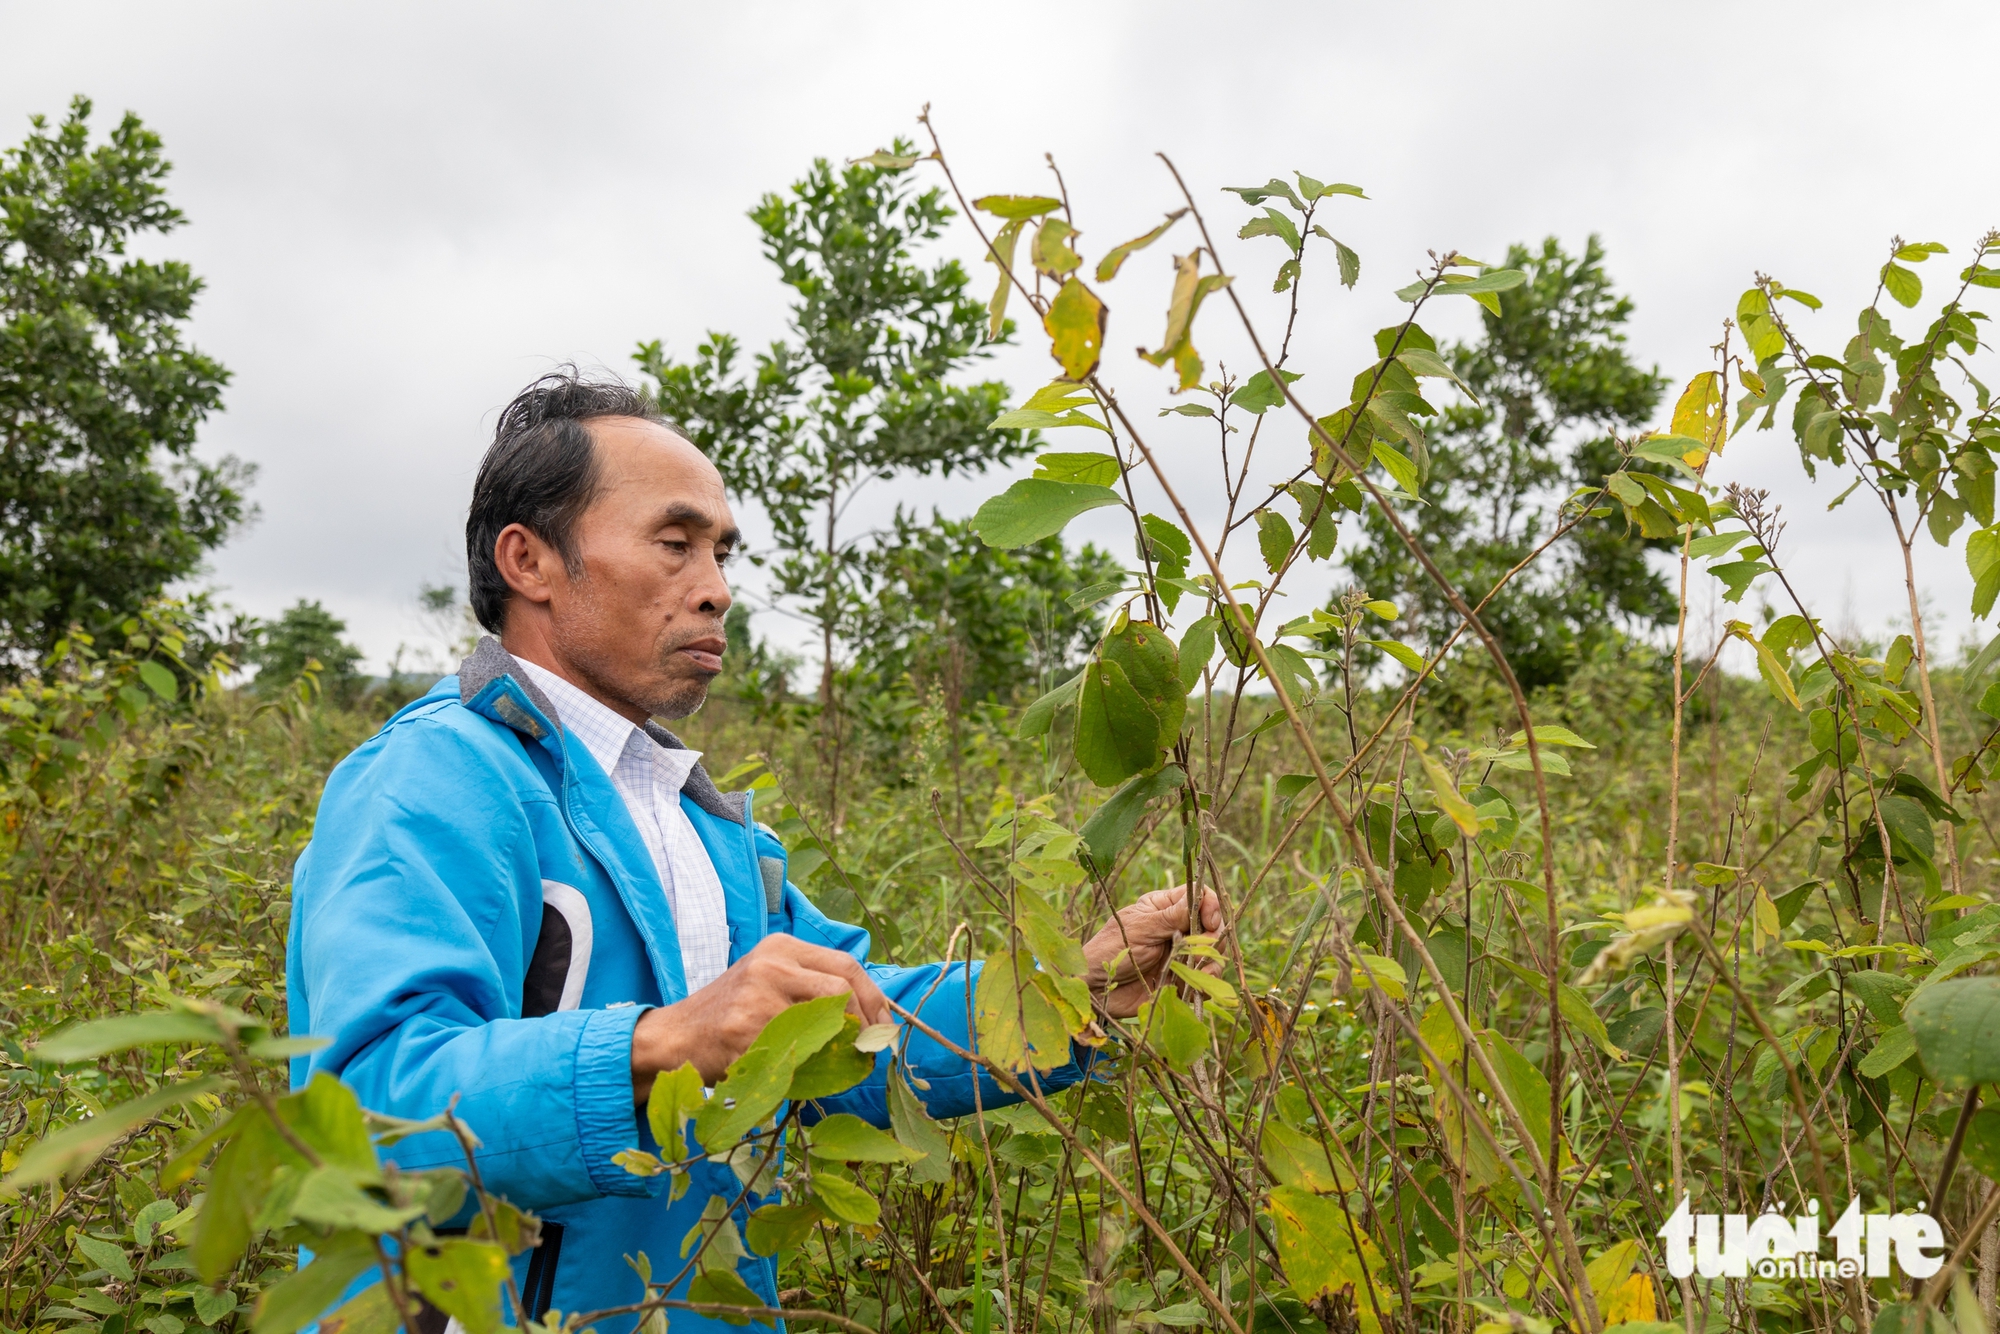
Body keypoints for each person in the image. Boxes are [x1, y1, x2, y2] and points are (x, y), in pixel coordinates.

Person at [285, 370, 1221, 1333]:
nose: (718, 591)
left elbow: (846, 1023)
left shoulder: (702, 820)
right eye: (675, 544)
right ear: (529, 561)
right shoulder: (434, 777)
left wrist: (1068, 994)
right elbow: (367, 1109)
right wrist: (663, 1044)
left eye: (722, 553)